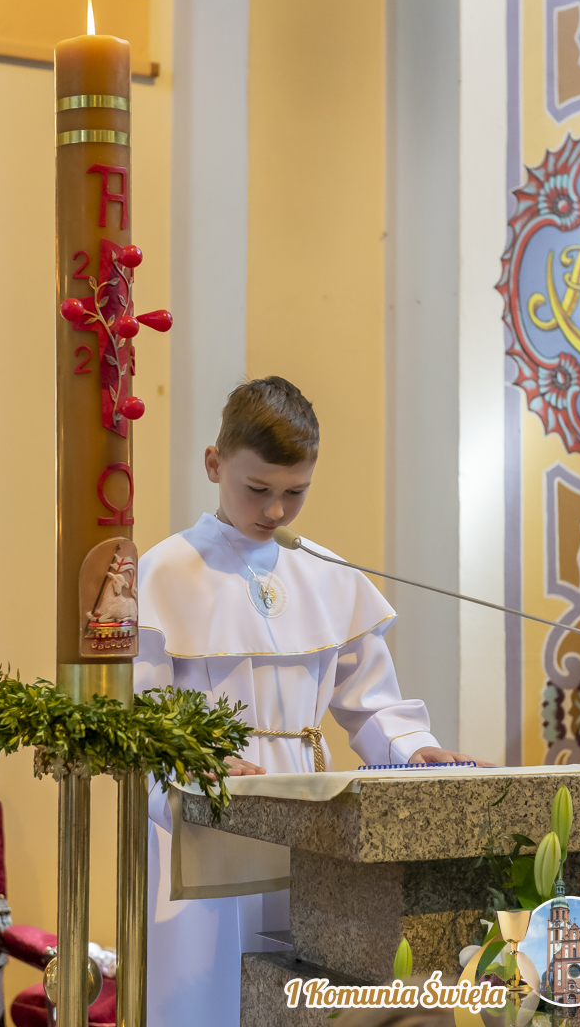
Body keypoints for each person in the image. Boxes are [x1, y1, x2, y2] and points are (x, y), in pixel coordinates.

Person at [134, 376, 488, 1027]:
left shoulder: (327, 572)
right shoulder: (164, 572)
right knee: (210, 990)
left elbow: (371, 703)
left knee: (300, 984)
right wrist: (193, 770)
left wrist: (415, 750)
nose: (274, 511)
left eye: (294, 493)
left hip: (309, 816)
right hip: (211, 809)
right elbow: (144, 719)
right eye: (257, 489)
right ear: (213, 464)